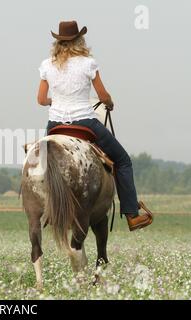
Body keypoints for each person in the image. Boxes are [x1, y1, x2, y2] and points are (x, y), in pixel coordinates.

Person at [37, 21, 153, 231]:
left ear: (58, 42)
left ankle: (46, 210)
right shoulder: (88, 63)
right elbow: (102, 95)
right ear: (79, 40)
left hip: (55, 125)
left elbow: (41, 99)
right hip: (84, 122)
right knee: (123, 161)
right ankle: (132, 215)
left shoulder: (47, 65)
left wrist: (55, 101)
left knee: (45, 165)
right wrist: (109, 103)